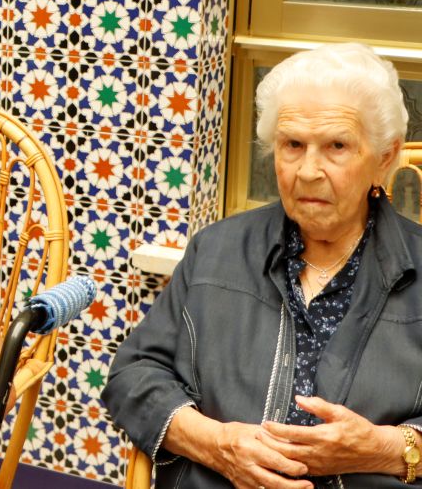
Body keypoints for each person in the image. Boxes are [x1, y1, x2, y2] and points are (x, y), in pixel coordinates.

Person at [104, 43, 422, 488]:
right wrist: (218, 444)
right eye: (292, 144)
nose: (308, 170)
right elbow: (132, 378)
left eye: (336, 146)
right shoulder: (216, 251)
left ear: (384, 158)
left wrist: (388, 448)